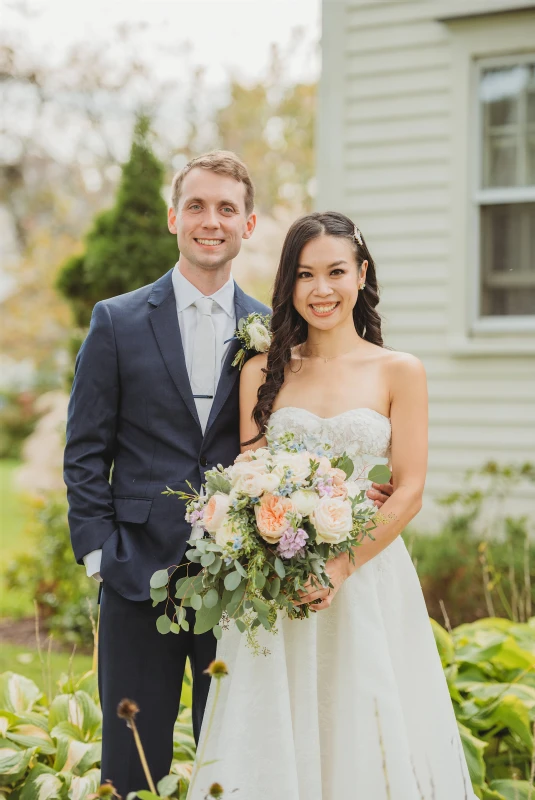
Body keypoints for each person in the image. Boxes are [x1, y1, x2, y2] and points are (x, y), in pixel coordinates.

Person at [64, 155, 394, 796]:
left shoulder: (276, 333)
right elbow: (84, 451)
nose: (209, 222)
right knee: (131, 767)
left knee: (240, 763)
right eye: (196, 206)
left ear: (247, 224)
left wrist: (349, 498)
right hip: (136, 578)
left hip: (244, 587)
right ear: (173, 217)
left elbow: (301, 431)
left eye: (225, 209)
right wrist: (101, 555)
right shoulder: (116, 320)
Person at [188, 212, 477, 800]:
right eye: (304, 275)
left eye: (336, 272)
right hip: (276, 585)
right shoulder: (261, 370)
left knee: (363, 724)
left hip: (366, 576)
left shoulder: (401, 370)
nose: (321, 290)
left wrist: (341, 566)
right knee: (275, 724)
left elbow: (411, 488)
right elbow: (251, 475)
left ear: (361, 274)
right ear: (288, 285)